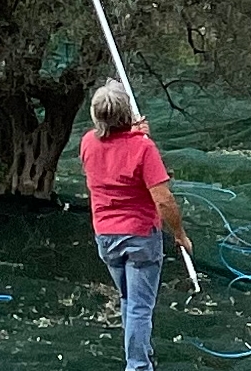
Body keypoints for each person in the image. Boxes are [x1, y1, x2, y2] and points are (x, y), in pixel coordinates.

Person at [80, 79, 193, 371]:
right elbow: (164, 200)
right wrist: (179, 233)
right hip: (140, 235)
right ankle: (138, 366)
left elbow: (111, 149)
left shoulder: (87, 143)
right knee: (140, 306)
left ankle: (140, 354)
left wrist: (135, 136)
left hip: (106, 235)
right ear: (126, 113)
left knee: (129, 299)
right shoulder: (143, 149)